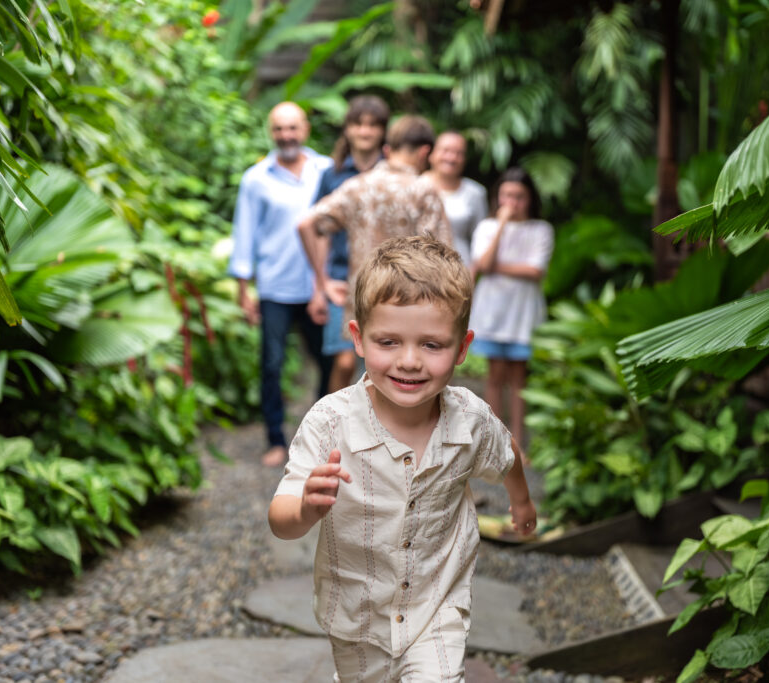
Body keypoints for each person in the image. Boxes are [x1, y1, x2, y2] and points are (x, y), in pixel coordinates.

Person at [269, 236, 536, 681]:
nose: (409, 361)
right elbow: (280, 519)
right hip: (356, 615)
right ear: (357, 338)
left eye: (432, 345)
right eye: (389, 341)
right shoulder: (330, 422)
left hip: (438, 606)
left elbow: (506, 453)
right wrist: (305, 507)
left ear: (463, 346)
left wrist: (522, 502)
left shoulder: (469, 419)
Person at [228, 102, 333, 468]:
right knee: (271, 364)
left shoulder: (326, 170)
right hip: (274, 286)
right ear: (271, 132)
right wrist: (244, 288)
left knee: (329, 361)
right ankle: (275, 438)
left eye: (292, 128)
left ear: (305, 128)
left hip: (319, 287)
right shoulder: (256, 178)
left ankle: (324, 440)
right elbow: (245, 233)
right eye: (278, 129)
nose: (286, 135)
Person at [298, 115, 453, 340]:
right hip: (408, 306)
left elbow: (306, 224)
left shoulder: (357, 185)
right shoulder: (423, 190)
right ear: (424, 152)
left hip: (362, 302)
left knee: (366, 367)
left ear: (389, 149)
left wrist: (323, 282)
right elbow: (442, 255)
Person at [469, 167, 554, 458]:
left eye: (518, 196)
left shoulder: (541, 229)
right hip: (491, 312)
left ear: (530, 198)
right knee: (494, 376)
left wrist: (494, 267)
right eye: (506, 195)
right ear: (497, 197)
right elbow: (481, 263)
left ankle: (518, 444)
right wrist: (501, 225)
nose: (512, 202)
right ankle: (494, 443)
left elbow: (535, 270)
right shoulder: (486, 227)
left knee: (519, 379)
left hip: (522, 314)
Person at [314, 95, 390, 394]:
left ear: (383, 131)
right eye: (358, 124)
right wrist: (319, 286)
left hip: (384, 280)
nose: (365, 132)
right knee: (344, 362)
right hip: (341, 278)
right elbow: (320, 230)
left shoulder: (392, 175)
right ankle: (331, 429)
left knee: (377, 363)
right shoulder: (332, 175)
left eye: (373, 125)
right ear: (347, 129)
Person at [423, 131, 488, 267]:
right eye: (446, 150)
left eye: (459, 153)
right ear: (431, 154)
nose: (452, 158)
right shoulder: (416, 186)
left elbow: (481, 239)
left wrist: (473, 272)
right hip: (419, 269)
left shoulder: (476, 192)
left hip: (460, 269)